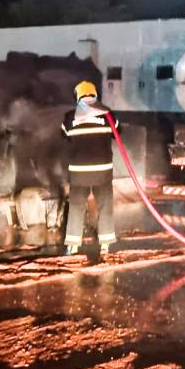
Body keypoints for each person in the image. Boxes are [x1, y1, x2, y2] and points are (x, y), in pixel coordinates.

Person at [62, 80, 118, 257]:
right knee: (105, 206)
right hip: (102, 172)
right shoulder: (107, 115)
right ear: (94, 95)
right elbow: (118, 134)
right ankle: (105, 245)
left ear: (78, 95)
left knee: (77, 206)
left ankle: (73, 245)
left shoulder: (70, 117)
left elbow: (65, 136)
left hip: (79, 173)